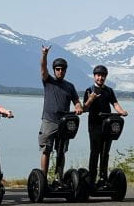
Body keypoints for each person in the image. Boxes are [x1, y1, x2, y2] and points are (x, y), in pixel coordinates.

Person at [39, 46, 83, 174]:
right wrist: (44, 54)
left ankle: (59, 178)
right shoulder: (48, 81)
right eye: (58, 69)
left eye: (62, 69)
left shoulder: (69, 86)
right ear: (54, 70)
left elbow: (76, 101)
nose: (60, 71)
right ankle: (43, 178)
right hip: (49, 120)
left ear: (65, 71)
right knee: (46, 149)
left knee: (61, 150)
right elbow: (43, 68)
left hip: (64, 122)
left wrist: (78, 107)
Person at [82, 64, 128, 185]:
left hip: (107, 125)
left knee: (105, 152)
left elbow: (115, 104)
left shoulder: (109, 90)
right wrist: (91, 99)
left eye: (103, 76)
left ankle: (103, 177)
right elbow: (84, 108)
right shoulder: (89, 90)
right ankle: (91, 178)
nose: (100, 78)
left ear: (105, 77)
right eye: (98, 75)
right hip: (94, 125)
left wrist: (121, 111)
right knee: (95, 151)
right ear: (94, 76)